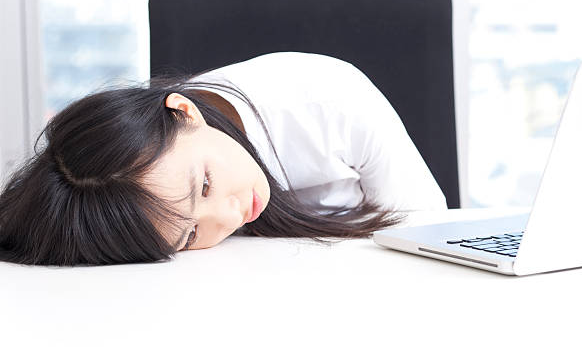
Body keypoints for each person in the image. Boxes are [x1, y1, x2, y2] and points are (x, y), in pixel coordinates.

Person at [0, 52, 447, 266]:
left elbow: (432, 240)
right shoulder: (140, 207)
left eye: (206, 185)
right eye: (191, 233)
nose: (229, 215)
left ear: (185, 112)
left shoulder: (328, 102)